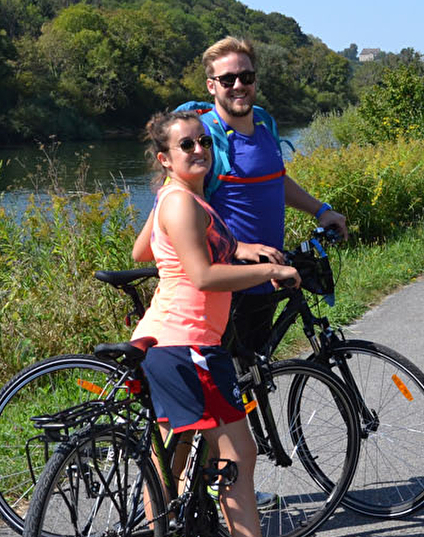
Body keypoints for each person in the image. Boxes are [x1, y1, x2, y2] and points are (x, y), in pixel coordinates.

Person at [131, 109, 301, 537]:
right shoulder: (181, 202)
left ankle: (164, 529)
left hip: (166, 340)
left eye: (203, 141)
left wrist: (237, 248)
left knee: (170, 457)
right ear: (164, 157)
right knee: (237, 455)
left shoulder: (175, 197)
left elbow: (142, 252)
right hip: (188, 344)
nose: (198, 149)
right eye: (185, 145)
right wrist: (269, 272)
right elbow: (204, 275)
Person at [134, 36, 348, 358]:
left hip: (266, 279)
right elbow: (171, 205)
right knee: (227, 384)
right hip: (228, 284)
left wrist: (321, 210)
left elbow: (276, 181)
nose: (238, 86)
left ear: (255, 80)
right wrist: (240, 248)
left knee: (254, 381)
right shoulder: (202, 141)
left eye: (246, 77)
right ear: (211, 86)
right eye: (227, 79)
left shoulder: (264, 122)